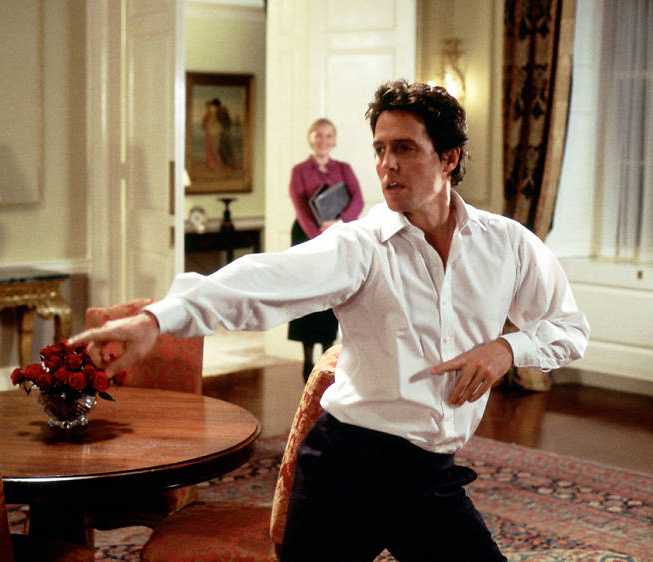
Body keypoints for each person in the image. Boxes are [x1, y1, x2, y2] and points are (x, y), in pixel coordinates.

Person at [68, 79, 589, 561]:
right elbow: (261, 281)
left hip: (430, 480)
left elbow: (569, 330)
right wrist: (156, 321)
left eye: (404, 148)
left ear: (449, 157)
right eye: (380, 149)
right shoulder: (361, 245)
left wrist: (506, 349)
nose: (387, 165)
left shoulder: (507, 245)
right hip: (347, 476)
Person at [288, 118, 364, 381]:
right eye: (318, 135)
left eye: (328, 135)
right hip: (307, 236)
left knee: (330, 292)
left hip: (337, 235)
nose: (323, 140)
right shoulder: (299, 171)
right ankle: (307, 360)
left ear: (334, 140)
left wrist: (340, 223)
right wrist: (318, 237)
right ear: (310, 138)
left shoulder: (343, 169)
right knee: (307, 294)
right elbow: (300, 207)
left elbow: (358, 200)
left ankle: (327, 357)